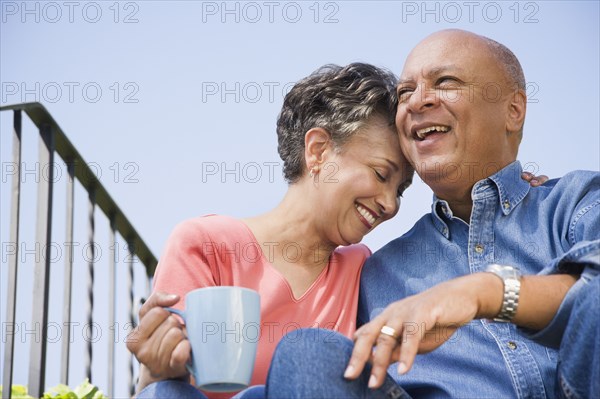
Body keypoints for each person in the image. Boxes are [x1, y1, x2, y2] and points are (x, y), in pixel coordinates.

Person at [266, 30, 599, 398]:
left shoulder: (575, 202)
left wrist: (485, 292)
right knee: (310, 353)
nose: (418, 101)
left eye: (445, 82)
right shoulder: (377, 275)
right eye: (405, 93)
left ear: (513, 110)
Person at [126, 62, 414, 399]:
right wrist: (156, 369)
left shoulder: (362, 269)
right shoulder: (205, 244)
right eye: (381, 174)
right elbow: (168, 385)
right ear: (318, 150)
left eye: (400, 190)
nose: (391, 204)